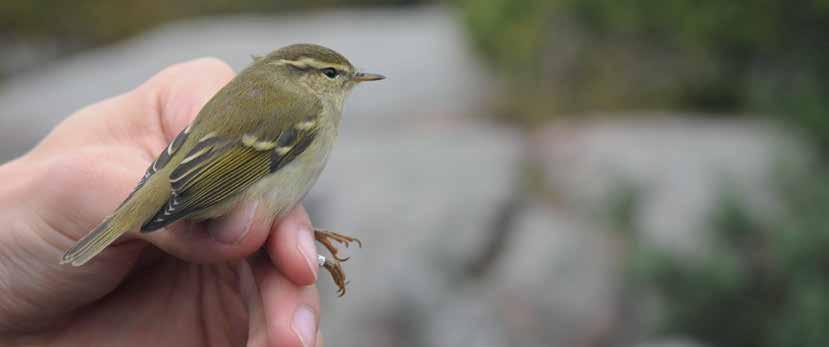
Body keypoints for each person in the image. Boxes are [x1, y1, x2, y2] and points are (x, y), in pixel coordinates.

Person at [0, 58, 323, 347]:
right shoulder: (306, 110)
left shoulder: (271, 99)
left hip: (176, 167)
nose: (349, 81)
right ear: (305, 78)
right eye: (333, 74)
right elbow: (247, 164)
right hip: (205, 179)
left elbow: (183, 154)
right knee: (257, 237)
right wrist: (180, 203)